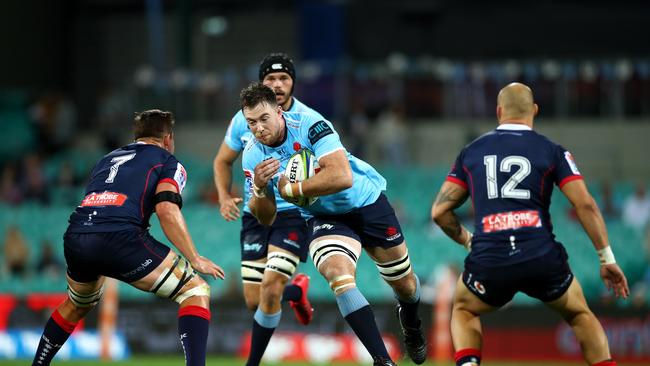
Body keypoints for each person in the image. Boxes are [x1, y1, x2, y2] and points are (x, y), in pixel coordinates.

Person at [430, 82, 630, 366]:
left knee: (463, 309)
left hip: (491, 256)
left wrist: (469, 240)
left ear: (499, 111)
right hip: (540, 255)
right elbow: (585, 204)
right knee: (580, 315)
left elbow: (439, 212)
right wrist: (605, 257)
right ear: (535, 110)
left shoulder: (471, 153)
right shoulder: (552, 151)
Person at [241, 82, 426, 366]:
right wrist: (261, 189)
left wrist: (294, 189)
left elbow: (342, 177)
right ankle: (383, 360)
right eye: (251, 122)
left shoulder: (311, 124)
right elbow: (266, 217)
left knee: (406, 286)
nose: (259, 128)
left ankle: (411, 325)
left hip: (366, 203)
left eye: (264, 119)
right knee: (338, 276)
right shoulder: (253, 154)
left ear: (279, 111)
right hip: (323, 217)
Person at [31, 110, 224, 366]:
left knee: (77, 304)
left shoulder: (106, 160)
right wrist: (195, 257)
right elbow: (167, 209)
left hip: (77, 236)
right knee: (195, 289)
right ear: (168, 138)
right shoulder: (167, 161)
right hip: (121, 239)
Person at [212, 53, 314, 366]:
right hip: (255, 214)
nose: (277, 84)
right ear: (261, 83)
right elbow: (222, 160)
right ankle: (295, 294)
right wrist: (224, 196)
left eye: (284, 78)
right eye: (270, 79)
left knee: (270, 286)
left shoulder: (308, 120)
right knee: (254, 300)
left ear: (293, 81)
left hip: (293, 213)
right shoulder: (243, 118)